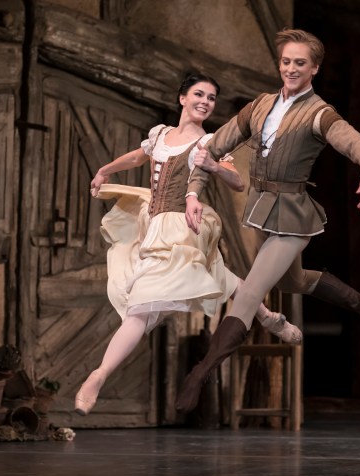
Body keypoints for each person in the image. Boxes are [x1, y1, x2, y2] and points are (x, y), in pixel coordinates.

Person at [176, 29, 360, 413]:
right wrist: (193, 192)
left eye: (300, 63)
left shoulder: (319, 113)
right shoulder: (260, 106)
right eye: (286, 62)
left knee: (248, 293)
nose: (291, 69)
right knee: (293, 281)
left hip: (292, 215)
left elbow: (352, 140)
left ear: (315, 69)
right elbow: (212, 147)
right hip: (261, 209)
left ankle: (202, 370)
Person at [74, 73, 301, 416]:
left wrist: (213, 165)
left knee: (141, 308)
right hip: (151, 225)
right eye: (199, 94)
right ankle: (268, 316)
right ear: (182, 98)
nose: (205, 102)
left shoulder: (209, 141)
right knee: (219, 278)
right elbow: (137, 158)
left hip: (183, 225)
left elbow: (237, 181)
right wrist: (105, 171)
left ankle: (100, 374)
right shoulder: (160, 134)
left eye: (211, 98)